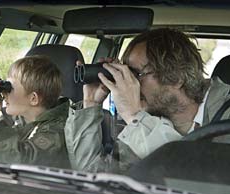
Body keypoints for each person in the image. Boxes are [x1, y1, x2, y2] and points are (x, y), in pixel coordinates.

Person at [65, 28, 230, 173]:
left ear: (176, 77)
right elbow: (93, 180)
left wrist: (134, 115)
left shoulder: (225, 118)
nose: (129, 84)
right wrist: (90, 104)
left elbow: (193, 181)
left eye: (135, 74)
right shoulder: (145, 123)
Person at [0, 55, 70, 168]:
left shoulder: (57, 131)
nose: (3, 93)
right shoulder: (17, 119)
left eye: (9, 88)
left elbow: (19, 161)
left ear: (33, 99)